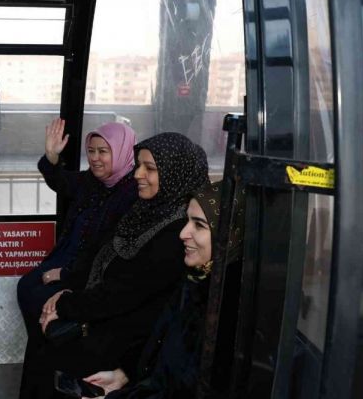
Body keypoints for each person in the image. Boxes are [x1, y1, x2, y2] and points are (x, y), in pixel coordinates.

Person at [22, 133, 209, 399]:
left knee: (50, 353)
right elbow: (100, 254)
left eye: (150, 169)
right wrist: (68, 290)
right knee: (43, 332)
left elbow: (124, 293)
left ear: (174, 174)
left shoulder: (177, 233)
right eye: (137, 166)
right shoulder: (144, 210)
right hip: (108, 313)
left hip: (127, 333)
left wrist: (65, 305)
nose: (137, 175)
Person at [82, 181, 245, 399]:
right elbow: (163, 344)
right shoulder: (198, 278)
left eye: (199, 225)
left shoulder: (230, 309)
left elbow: (185, 389)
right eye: (187, 221)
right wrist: (124, 374)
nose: (183, 233)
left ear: (230, 234)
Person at [17, 118, 138, 394]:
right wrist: (51, 157)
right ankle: (45, 349)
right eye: (91, 151)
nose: (95, 159)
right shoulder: (92, 182)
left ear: (121, 152)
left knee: (40, 302)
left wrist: (66, 275)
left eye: (103, 152)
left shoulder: (131, 193)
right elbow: (61, 181)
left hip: (85, 273)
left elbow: (109, 252)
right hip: (64, 260)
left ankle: (49, 359)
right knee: (27, 286)